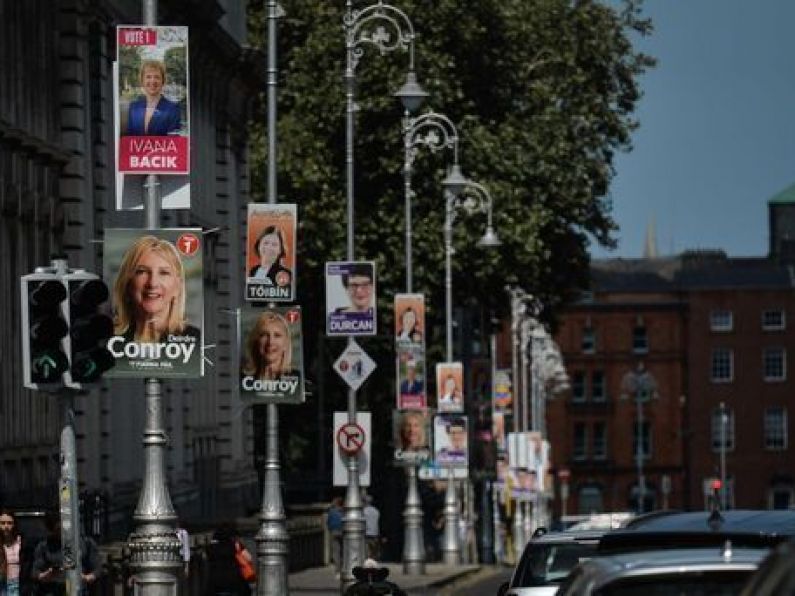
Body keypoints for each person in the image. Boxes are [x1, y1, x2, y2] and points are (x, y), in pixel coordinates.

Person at [112, 235, 199, 343]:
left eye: (164, 273)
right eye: (142, 272)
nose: (152, 283)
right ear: (127, 283)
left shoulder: (196, 342)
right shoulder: (107, 337)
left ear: (178, 287)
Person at [31, 513, 99, 596]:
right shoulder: (44, 546)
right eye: (57, 530)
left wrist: (87, 578)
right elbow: (35, 572)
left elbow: (97, 568)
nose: (62, 532)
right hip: (52, 590)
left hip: (79, 589)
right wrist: (46, 575)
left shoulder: (86, 542)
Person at [126, 60, 181, 136]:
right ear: (142, 81)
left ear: (163, 81)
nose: (153, 81)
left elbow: (174, 142)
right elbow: (130, 139)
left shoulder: (173, 109)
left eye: (157, 77)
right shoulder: (133, 107)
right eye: (148, 77)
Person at [242, 311, 297, 381]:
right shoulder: (243, 381)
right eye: (264, 335)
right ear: (256, 341)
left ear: (286, 344)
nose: (270, 342)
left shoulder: (297, 380)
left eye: (277, 335)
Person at [204, 522, 252, 596]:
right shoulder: (236, 545)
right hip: (234, 583)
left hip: (215, 584)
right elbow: (249, 558)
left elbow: (205, 559)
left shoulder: (211, 548)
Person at [0, 509, 22, 596]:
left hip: (18, 584)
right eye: (2, 523)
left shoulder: (20, 542)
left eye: (9, 523)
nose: (6, 526)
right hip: (2, 584)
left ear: (14, 524)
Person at [326, 497, 343, 576]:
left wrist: (330, 528)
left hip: (334, 531)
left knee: (336, 551)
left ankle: (338, 569)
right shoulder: (344, 511)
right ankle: (344, 566)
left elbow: (328, 522)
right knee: (343, 550)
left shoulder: (331, 512)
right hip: (343, 532)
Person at [363, 496, 381, 561]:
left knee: (367, 549)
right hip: (375, 532)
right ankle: (373, 561)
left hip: (367, 532)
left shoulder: (364, 511)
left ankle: (368, 562)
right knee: (374, 550)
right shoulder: (376, 511)